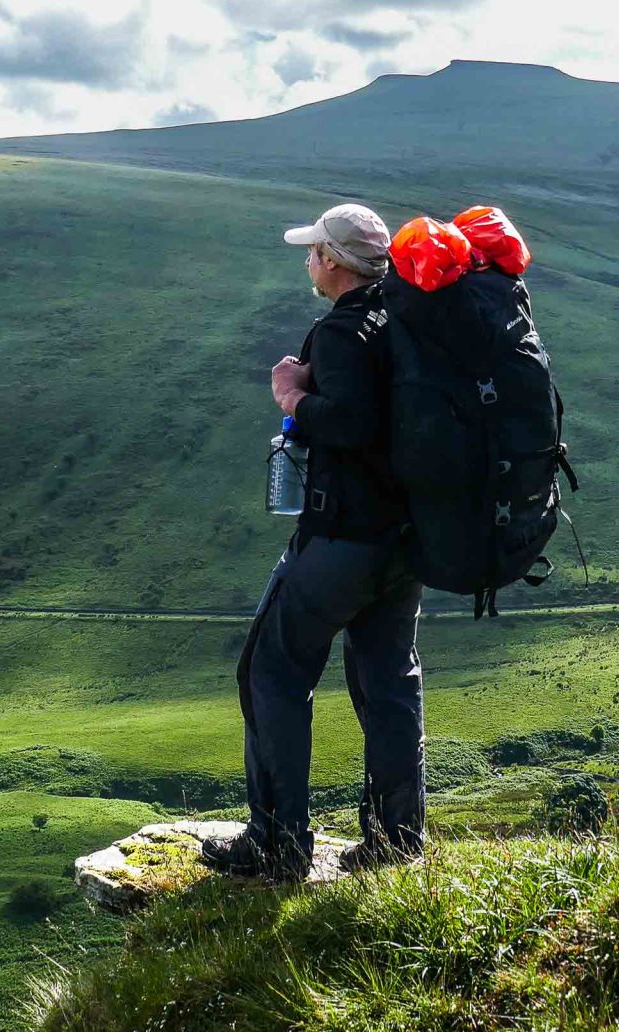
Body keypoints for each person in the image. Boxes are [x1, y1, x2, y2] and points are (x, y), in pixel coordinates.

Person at [201, 203, 427, 883]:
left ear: (332, 261)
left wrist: (294, 397)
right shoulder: (407, 317)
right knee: (388, 678)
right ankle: (396, 841)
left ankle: (278, 845)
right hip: (405, 542)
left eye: (312, 251)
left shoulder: (343, 331)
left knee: (271, 672)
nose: (307, 261)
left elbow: (352, 424)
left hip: (343, 540)